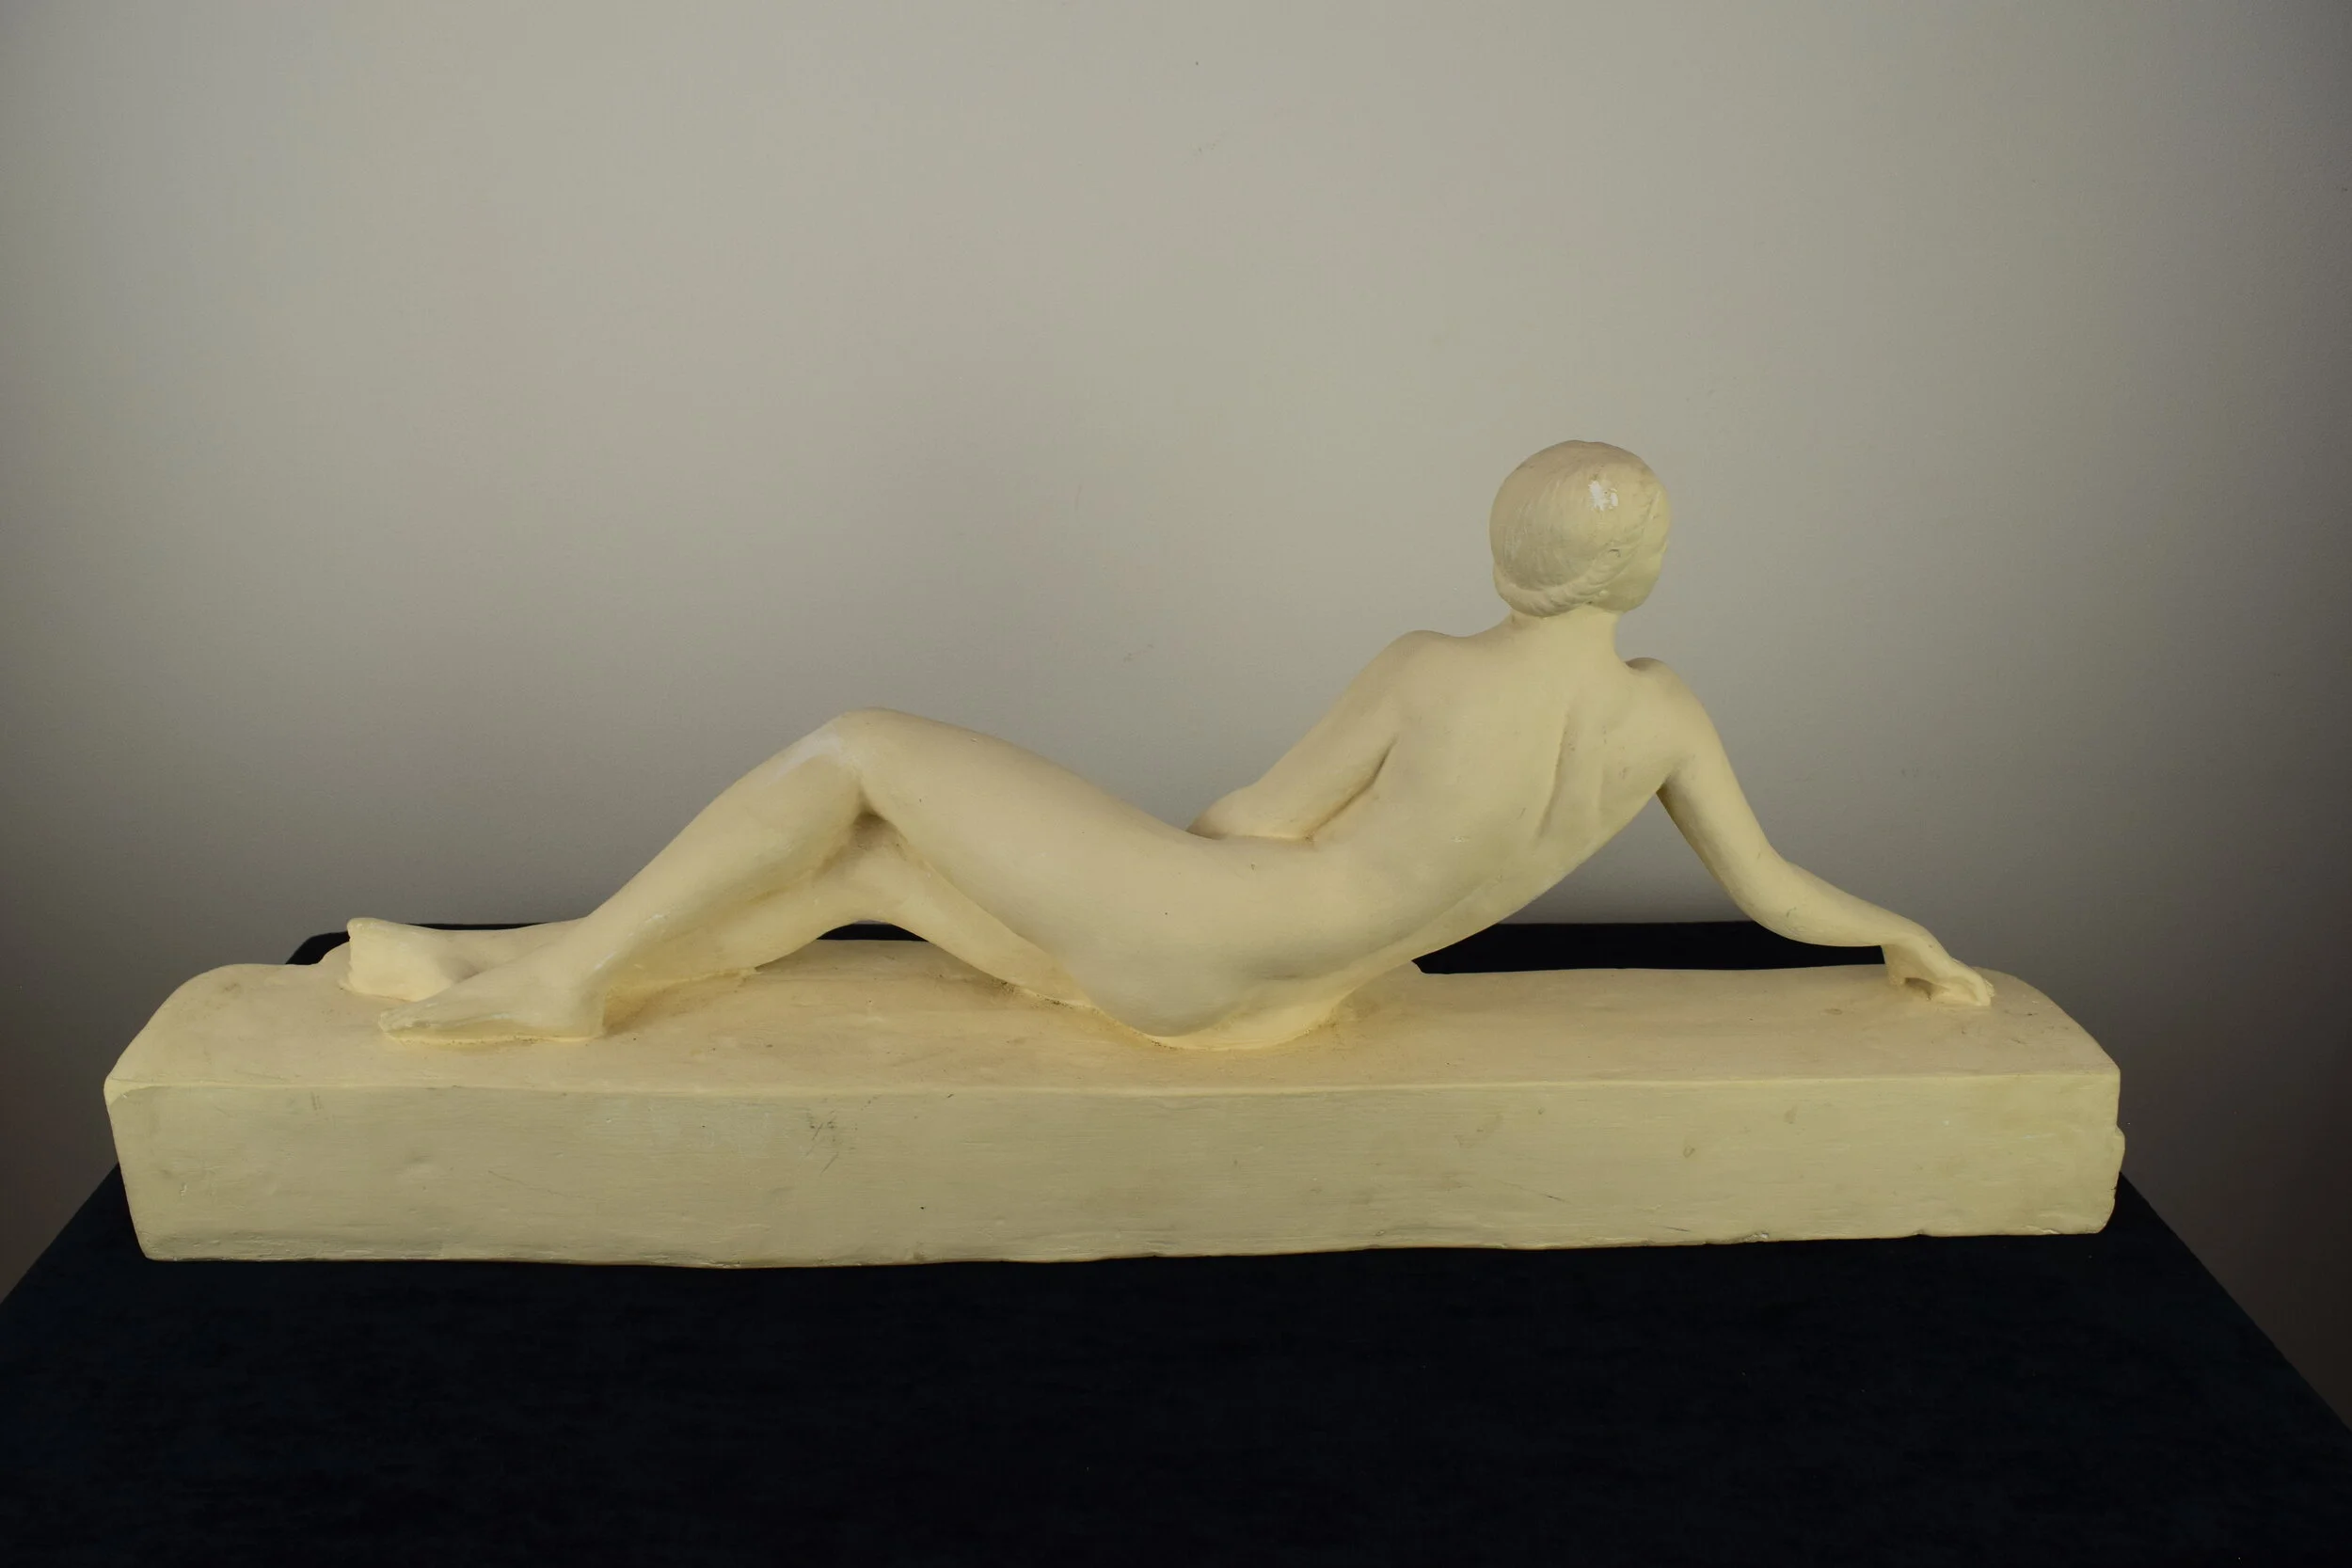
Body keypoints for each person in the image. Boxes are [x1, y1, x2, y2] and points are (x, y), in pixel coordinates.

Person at [347, 441, 1991, 1048]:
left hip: (1191, 926)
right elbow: (1775, 893)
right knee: (866, 870)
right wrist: (1906, 935)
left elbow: (1253, 816)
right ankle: (508, 963)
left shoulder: (1434, 669)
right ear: (1649, 571)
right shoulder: (1664, 714)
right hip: (1268, 1011)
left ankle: (566, 977)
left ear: (1504, 557)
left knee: (855, 749)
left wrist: (1136, 866)